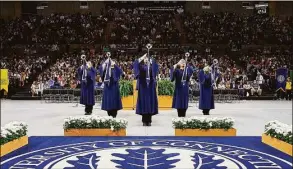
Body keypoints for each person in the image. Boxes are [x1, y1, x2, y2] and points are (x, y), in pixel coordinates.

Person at [133, 53, 159, 126]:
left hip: (150, 87)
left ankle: (149, 120)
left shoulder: (152, 67)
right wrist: (142, 57)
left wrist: (150, 60)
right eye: (145, 59)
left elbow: (155, 67)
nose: (146, 59)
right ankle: (144, 120)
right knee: (144, 102)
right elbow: (135, 64)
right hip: (143, 86)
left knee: (150, 102)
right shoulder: (141, 66)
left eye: (147, 58)